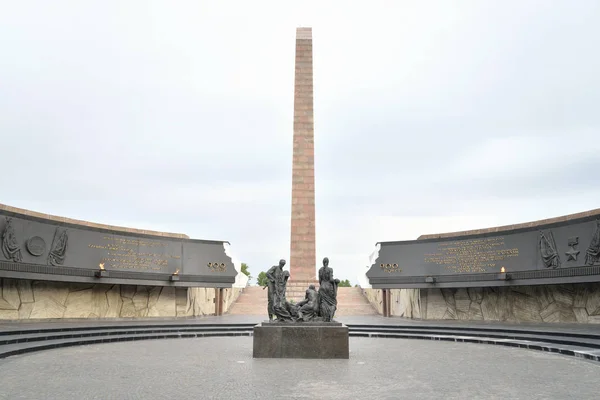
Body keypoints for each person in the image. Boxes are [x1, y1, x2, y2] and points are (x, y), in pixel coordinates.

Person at [318, 257, 340, 322]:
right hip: (328, 287)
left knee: (323, 303)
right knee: (333, 303)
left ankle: (324, 317)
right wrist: (335, 281)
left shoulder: (320, 270)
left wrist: (322, 284)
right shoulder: (330, 269)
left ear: (323, 262)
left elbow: (320, 280)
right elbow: (330, 279)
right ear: (328, 262)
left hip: (322, 287)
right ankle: (330, 318)